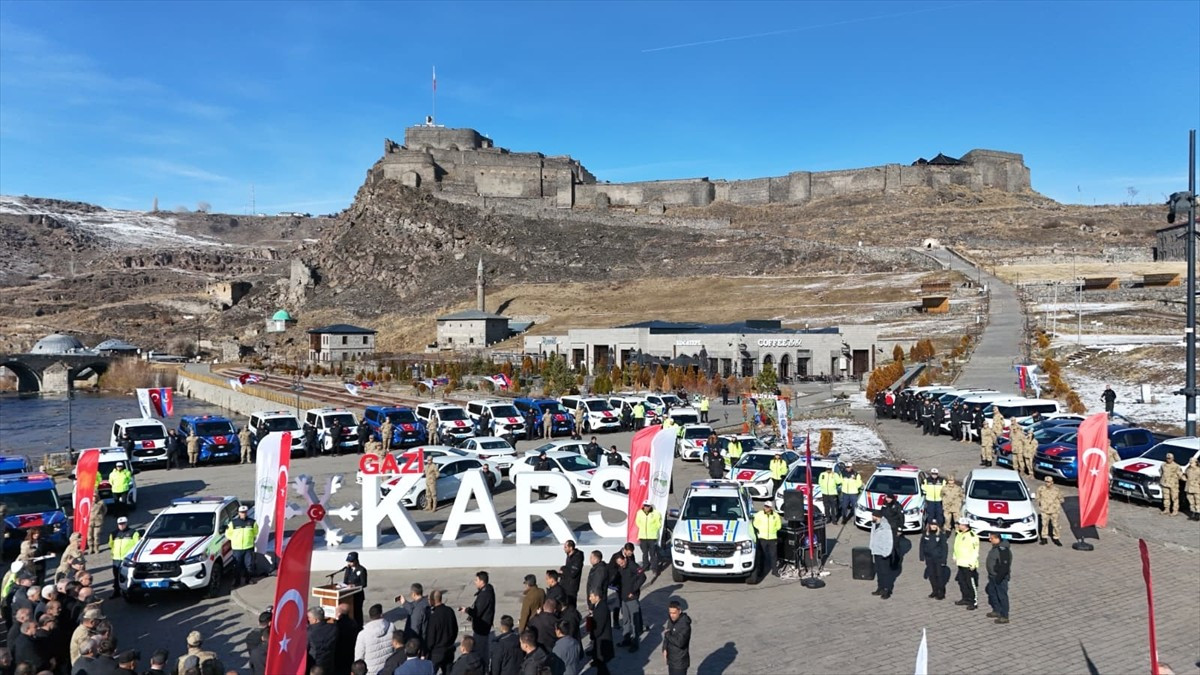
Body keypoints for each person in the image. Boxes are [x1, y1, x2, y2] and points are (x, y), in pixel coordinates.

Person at [613, 554, 645, 652]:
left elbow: (642, 577)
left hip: (631, 598)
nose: (621, 565)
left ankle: (635, 643)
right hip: (624, 598)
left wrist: (634, 591)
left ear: (625, 559)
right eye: (619, 564)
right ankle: (626, 639)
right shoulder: (620, 568)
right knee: (626, 620)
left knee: (634, 621)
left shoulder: (632, 566)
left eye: (622, 563)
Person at [354, 603, 393, 674]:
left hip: (371, 672)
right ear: (381, 614)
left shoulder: (363, 634)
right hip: (388, 669)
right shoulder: (391, 627)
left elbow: (359, 657)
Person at [426, 590, 458, 674]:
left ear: (433, 600)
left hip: (437, 652)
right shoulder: (450, 611)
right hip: (449, 650)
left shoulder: (434, 616)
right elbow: (455, 629)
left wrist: (428, 650)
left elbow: (431, 637)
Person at [226, 505, 258, 586]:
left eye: (245, 512)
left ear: (247, 512)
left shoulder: (252, 522)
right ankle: (237, 582)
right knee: (237, 566)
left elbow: (255, 532)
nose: (243, 514)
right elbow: (228, 534)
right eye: (241, 512)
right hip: (237, 548)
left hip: (248, 547)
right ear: (238, 513)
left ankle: (248, 580)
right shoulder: (233, 523)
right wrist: (235, 539)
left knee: (249, 565)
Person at [984, 532, 1012, 623]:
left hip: (1000, 578)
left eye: (991, 538)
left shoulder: (1003, 550)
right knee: (993, 593)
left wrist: (998, 577)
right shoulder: (996, 547)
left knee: (1002, 596)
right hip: (992, 576)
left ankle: (1004, 616)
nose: (989, 540)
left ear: (997, 539)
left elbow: (1004, 566)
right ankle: (997, 610)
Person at [108, 516, 138, 599]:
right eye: (120, 524)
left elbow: (137, 544)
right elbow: (111, 544)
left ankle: (129, 591)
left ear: (126, 523)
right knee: (116, 576)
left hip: (127, 559)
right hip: (116, 558)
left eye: (123, 524)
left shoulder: (133, 532)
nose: (121, 525)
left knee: (128, 575)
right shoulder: (113, 533)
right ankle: (116, 592)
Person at [953, 520, 980, 610]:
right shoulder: (959, 534)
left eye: (959, 524)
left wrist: (972, 563)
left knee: (971, 583)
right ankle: (965, 598)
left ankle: (974, 602)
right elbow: (956, 546)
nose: (958, 526)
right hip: (961, 563)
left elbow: (975, 551)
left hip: (969, 564)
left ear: (965, 525)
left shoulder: (972, 536)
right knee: (962, 582)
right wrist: (954, 555)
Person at [918, 520, 949, 600]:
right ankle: (934, 591)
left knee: (939, 575)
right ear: (929, 525)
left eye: (935, 525)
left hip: (938, 559)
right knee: (932, 575)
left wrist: (944, 559)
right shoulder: (925, 534)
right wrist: (921, 557)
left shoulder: (941, 535)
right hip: (929, 558)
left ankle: (941, 592)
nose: (934, 526)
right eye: (932, 525)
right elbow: (922, 545)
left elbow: (944, 548)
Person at [869, 510, 895, 599]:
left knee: (885, 573)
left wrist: (886, 552)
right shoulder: (874, 524)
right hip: (876, 551)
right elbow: (872, 536)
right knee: (879, 572)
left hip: (883, 553)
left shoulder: (886, 527)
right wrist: (871, 547)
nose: (872, 518)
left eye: (873, 516)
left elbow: (889, 540)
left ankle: (886, 590)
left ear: (877, 517)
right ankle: (880, 588)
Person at [396, 582, 430, 653]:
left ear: (414, 594)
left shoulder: (417, 610)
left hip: (416, 643)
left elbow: (415, 628)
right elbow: (412, 607)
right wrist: (405, 603)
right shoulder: (425, 603)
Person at [662, 600, 691, 675]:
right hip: (671, 660)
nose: (672, 615)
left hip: (679, 663)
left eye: (674, 613)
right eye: (670, 612)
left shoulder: (685, 625)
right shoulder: (671, 621)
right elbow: (666, 636)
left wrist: (667, 634)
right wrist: (664, 648)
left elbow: (680, 642)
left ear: (680, 611)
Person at [752, 502, 782, 577]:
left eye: (768, 506)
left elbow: (779, 526)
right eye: (765, 506)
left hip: (772, 538)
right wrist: (760, 529)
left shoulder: (775, 515)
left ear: (771, 508)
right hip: (762, 538)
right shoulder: (759, 514)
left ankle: (774, 571)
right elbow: (755, 523)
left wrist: (774, 529)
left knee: (774, 555)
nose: (766, 508)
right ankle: (761, 571)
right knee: (762, 555)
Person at [306, 608, 338, 672]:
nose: (308, 619)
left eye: (309, 617)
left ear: (315, 620)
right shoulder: (334, 628)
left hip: (314, 665)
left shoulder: (309, 632)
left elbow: (306, 648)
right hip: (329, 663)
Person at [1035, 476, 1065, 545]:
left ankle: (1056, 538)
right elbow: (1037, 497)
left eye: (1048, 482)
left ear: (1052, 482)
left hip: (1054, 511)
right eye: (1046, 481)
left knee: (1055, 525)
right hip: (1044, 510)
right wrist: (1042, 503)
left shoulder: (1057, 490)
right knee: (1044, 524)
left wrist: (1056, 504)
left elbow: (1061, 499)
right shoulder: (1040, 489)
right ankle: (1044, 538)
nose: (1047, 483)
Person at [634, 503, 662, 574]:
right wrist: (642, 527)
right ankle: (645, 566)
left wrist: (654, 528)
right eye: (645, 506)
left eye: (648, 506)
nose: (646, 507)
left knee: (653, 553)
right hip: (643, 536)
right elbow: (637, 522)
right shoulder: (639, 512)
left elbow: (659, 523)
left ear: (650, 506)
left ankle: (654, 568)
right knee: (645, 553)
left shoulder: (655, 513)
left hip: (652, 537)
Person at [343, 551, 368, 628]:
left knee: (357, 612)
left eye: (351, 561)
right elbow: (345, 581)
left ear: (356, 560)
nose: (349, 563)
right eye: (349, 561)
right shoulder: (348, 569)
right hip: (349, 595)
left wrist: (354, 585)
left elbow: (364, 584)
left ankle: (359, 626)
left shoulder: (362, 570)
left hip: (358, 595)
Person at [560, 540, 583, 608]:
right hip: (566, 584)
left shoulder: (577, 558)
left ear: (571, 548)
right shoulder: (569, 556)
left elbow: (573, 572)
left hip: (571, 586)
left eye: (565, 547)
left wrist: (564, 569)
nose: (564, 548)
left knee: (571, 604)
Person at [1185, 456, 1200, 521]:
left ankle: (1198, 514)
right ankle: (1193, 513)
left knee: (1198, 501)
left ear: (1195, 463)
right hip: (1189, 487)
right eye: (1190, 462)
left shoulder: (1199, 470)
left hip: (1197, 488)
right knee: (1191, 501)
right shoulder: (1188, 469)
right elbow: (1185, 476)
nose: (1190, 464)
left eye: (1192, 462)